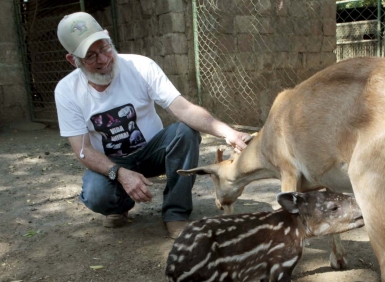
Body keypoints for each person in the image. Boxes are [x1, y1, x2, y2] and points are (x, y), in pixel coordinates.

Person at [54, 12, 251, 239]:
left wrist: (229, 133)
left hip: (152, 152)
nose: (103, 59)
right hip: (113, 162)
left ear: (108, 37)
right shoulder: (67, 90)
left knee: (184, 132)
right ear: (73, 60)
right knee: (97, 194)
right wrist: (120, 174)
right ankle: (118, 206)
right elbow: (83, 150)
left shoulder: (141, 66)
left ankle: (176, 213)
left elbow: (183, 109)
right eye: (91, 56)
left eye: (105, 48)